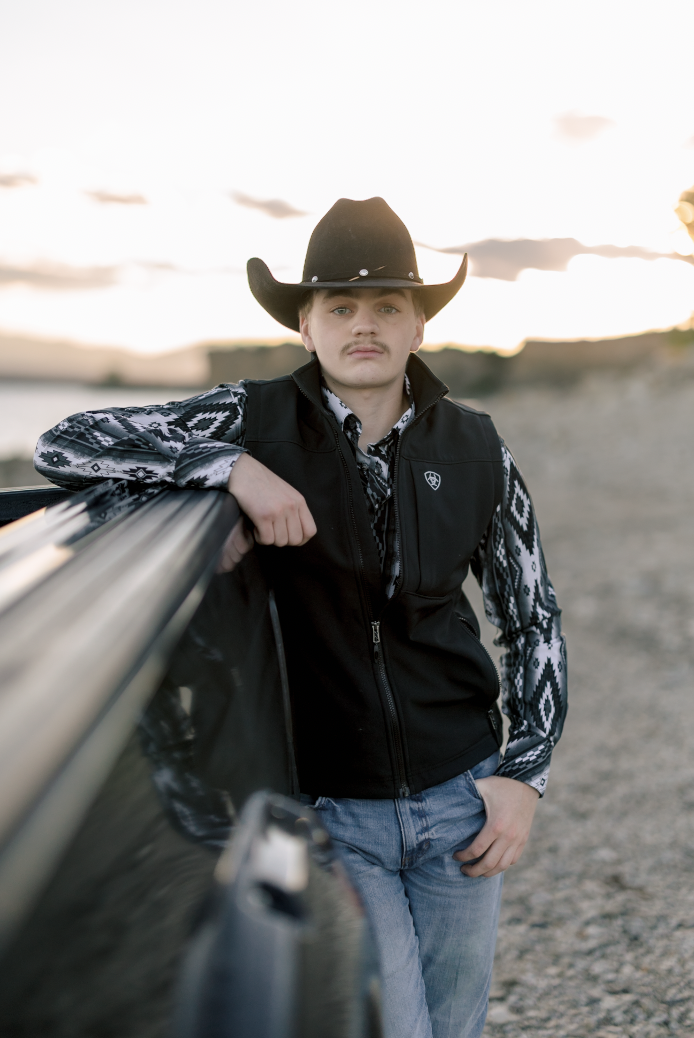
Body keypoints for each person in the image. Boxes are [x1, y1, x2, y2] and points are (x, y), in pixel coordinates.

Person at [35, 197, 567, 1038]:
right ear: (307, 327)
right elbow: (65, 442)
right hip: (329, 806)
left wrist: (523, 778)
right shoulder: (251, 419)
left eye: (389, 306)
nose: (366, 325)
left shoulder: (476, 445)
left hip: (463, 797)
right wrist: (228, 469)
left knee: (456, 1024)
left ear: (419, 327)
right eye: (341, 308)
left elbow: (531, 617)